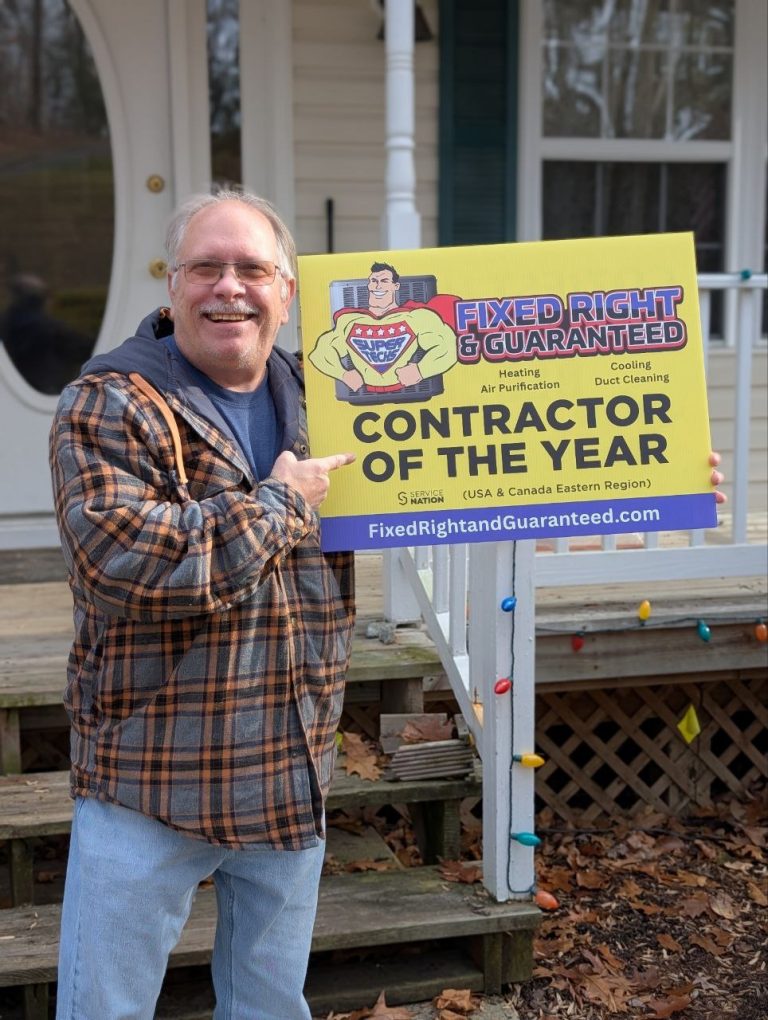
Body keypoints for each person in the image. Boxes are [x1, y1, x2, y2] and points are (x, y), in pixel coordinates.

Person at [49, 189, 355, 1020]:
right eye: (206, 267)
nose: (231, 287)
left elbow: (460, 485)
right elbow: (125, 563)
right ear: (172, 283)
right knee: (104, 1008)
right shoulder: (109, 400)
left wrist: (636, 491)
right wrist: (281, 506)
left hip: (289, 761)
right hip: (153, 774)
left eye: (253, 268)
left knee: (267, 1006)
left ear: (287, 291)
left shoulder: (330, 390)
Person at [308, 261, 458, 396]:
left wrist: (421, 370)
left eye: (384, 281)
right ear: (368, 284)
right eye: (374, 281)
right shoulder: (348, 321)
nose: (378, 286)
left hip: (411, 396)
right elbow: (321, 352)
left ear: (396, 286)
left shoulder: (416, 317)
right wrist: (342, 374)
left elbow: (449, 346)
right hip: (360, 403)